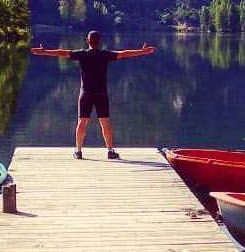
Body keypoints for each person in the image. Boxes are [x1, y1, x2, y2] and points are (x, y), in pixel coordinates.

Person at [31, 30, 156, 159]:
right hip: (101, 93)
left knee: (82, 122)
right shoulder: (105, 55)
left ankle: (78, 151)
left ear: (87, 41)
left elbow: (61, 52)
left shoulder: (82, 54)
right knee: (105, 122)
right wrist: (143, 51)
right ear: (99, 41)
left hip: (86, 93)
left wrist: (44, 52)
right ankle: (110, 151)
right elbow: (124, 54)